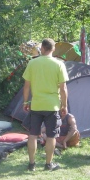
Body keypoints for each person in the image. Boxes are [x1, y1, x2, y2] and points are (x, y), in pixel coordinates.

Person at [23, 38, 68, 171]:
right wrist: (64, 105)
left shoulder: (32, 63)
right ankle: (48, 164)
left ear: (42, 48)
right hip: (52, 106)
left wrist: (25, 102)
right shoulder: (59, 64)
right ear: (53, 49)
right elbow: (63, 88)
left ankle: (31, 164)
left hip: (36, 104)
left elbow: (26, 86)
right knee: (51, 136)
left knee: (33, 135)